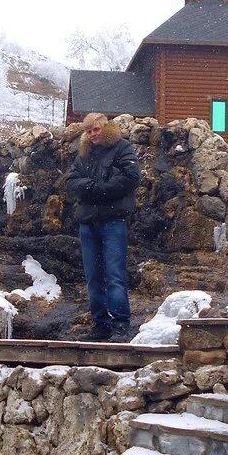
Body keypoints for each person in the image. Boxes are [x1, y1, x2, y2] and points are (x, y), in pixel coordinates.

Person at [66, 113, 141, 341]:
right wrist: (95, 187)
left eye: (96, 129)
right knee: (93, 276)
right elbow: (71, 181)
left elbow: (131, 177)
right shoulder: (83, 155)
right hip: (88, 223)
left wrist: (99, 190)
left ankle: (120, 324)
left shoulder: (122, 148)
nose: (92, 134)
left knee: (114, 274)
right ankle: (100, 324)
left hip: (113, 222)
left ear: (105, 128)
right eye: (88, 131)